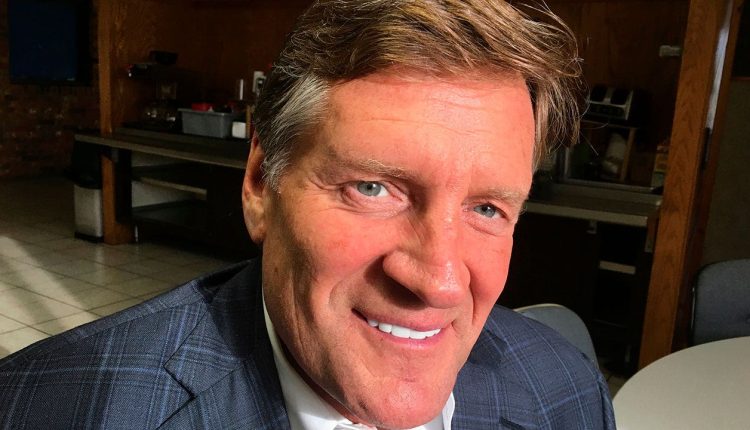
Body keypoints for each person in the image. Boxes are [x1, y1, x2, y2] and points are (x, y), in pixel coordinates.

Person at [0, 0, 615, 428]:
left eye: (486, 207)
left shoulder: (564, 390)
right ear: (261, 185)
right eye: (373, 188)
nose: (440, 281)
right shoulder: (49, 410)